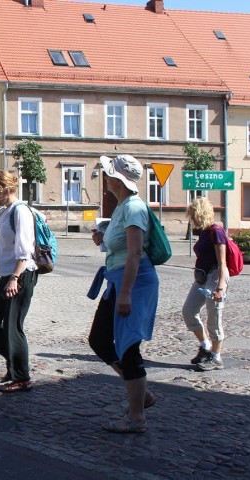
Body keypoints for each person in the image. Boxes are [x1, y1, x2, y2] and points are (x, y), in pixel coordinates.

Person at [88, 154, 159, 434]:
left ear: (116, 178)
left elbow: (134, 253)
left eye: (108, 173)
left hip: (135, 283)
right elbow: (119, 247)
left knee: (128, 347)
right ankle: (141, 395)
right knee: (100, 340)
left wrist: (127, 294)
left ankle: (136, 417)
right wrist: (101, 240)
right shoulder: (120, 207)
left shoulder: (134, 208)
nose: (105, 177)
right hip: (117, 281)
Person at [0, 171, 38, 393]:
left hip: (20, 275)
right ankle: (15, 365)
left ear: (7, 188)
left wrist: (15, 278)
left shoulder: (20, 211)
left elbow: (25, 250)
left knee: (13, 327)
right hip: (8, 275)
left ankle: (21, 378)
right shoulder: (6, 212)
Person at [182, 196, 228, 371]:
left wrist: (220, 287)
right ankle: (205, 346)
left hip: (215, 276)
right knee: (189, 311)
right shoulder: (203, 231)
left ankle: (216, 357)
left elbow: (222, 262)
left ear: (200, 214)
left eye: (193, 215)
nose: (191, 219)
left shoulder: (216, 232)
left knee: (214, 316)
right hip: (202, 277)